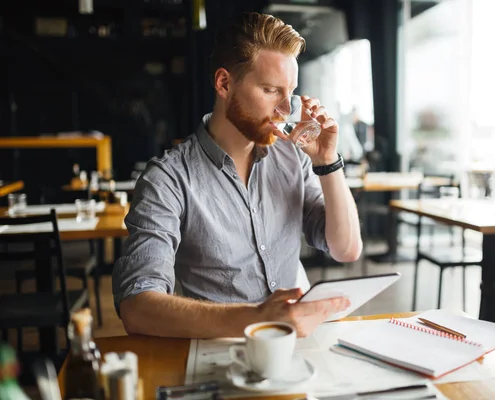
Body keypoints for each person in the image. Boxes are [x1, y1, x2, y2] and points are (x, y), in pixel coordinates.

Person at [112, 12, 362, 339]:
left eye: (290, 92)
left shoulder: (292, 157)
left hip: (295, 346)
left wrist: (327, 161)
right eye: (271, 90)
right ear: (224, 84)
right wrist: (259, 318)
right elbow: (137, 307)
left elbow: (346, 249)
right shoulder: (168, 179)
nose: (285, 109)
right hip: (220, 353)